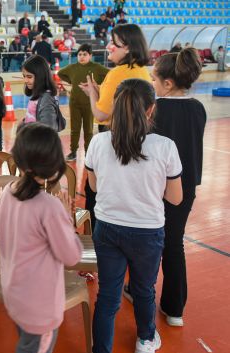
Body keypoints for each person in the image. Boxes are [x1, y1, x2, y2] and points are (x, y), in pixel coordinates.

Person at [86, 79, 183, 353]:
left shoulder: (99, 142)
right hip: (147, 232)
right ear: (151, 110)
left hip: (107, 228)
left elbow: (93, 187)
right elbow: (175, 198)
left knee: (108, 296)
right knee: (143, 290)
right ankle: (145, 341)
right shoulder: (165, 146)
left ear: (115, 107)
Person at [126, 48, 205, 328]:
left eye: (155, 80)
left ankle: (138, 291)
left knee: (144, 241)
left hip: (155, 184)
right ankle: (174, 310)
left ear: (167, 84)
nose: (153, 85)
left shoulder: (155, 108)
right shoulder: (198, 108)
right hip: (186, 186)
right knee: (174, 244)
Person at [0, 122, 83, 353]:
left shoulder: (7, 192)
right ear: (54, 167)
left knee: (27, 345)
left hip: (15, 294)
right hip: (39, 308)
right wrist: (66, 218)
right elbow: (72, 256)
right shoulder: (50, 207)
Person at [79, 23, 152, 228]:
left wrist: (93, 93)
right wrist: (100, 90)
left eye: (114, 43)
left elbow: (101, 113)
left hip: (113, 139)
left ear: (127, 47)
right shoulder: (141, 71)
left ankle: (94, 237)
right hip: (137, 139)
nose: (110, 46)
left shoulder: (117, 73)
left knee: (94, 191)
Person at [58, 43, 109, 160]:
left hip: (90, 104)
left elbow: (109, 75)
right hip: (75, 103)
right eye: (79, 54)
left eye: (84, 54)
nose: (81, 57)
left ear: (90, 55)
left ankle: (88, 153)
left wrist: (99, 85)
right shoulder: (72, 67)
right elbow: (60, 73)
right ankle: (73, 152)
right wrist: (71, 81)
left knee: (88, 130)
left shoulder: (96, 67)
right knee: (74, 129)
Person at [20, 55, 62, 131]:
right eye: (24, 76)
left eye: (29, 77)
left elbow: (48, 130)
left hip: (39, 142)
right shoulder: (39, 94)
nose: (25, 80)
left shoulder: (46, 99)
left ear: (40, 76)